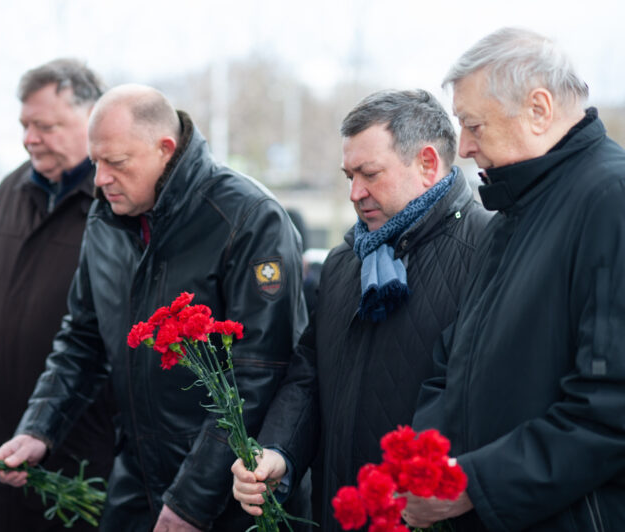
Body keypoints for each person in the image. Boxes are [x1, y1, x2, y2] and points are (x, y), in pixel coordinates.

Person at [0, 84, 309, 532]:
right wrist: (38, 428)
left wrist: (192, 503)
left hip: (228, 495)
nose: (99, 179)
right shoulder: (105, 218)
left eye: (116, 163)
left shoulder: (248, 217)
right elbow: (82, 338)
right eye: (95, 160)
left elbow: (258, 372)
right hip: (136, 481)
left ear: (165, 149)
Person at [231, 89, 491, 531]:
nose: (355, 193)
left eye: (369, 173)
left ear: (428, 164)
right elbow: (310, 373)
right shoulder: (344, 261)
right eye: (349, 175)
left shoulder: (490, 251)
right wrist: (279, 452)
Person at [400, 28, 625, 531]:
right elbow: (456, 359)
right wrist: (427, 462)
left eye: (473, 124)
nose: (464, 146)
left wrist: (473, 485)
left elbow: (612, 406)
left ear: (539, 109)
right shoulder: (514, 212)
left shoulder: (611, 200)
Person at [0, 58, 116, 532]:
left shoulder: (115, 199)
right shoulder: (11, 188)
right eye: (25, 125)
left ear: (93, 119)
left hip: (78, 445)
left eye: (46, 125)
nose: (29, 138)